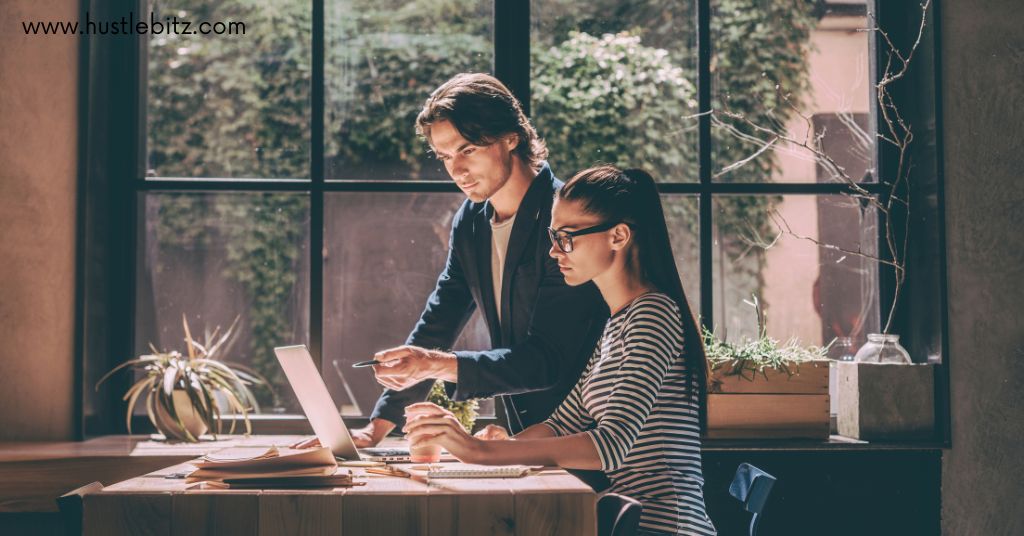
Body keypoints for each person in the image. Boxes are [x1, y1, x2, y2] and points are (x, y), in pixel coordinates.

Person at [404, 166, 718, 536]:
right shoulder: (617, 322)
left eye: (567, 238)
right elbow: (561, 423)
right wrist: (495, 449)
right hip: (627, 523)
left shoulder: (655, 314)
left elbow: (610, 446)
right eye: (553, 236)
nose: (554, 252)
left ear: (618, 236)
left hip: (665, 527)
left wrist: (479, 452)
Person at [347, 73, 609, 447]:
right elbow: (441, 319)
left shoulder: (566, 222)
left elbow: (547, 360)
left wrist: (433, 363)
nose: (456, 171)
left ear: (511, 137)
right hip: (516, 437)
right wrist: (378, 425)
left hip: (586, 438)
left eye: (467, 150)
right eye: (445, 157)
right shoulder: (471, 221)